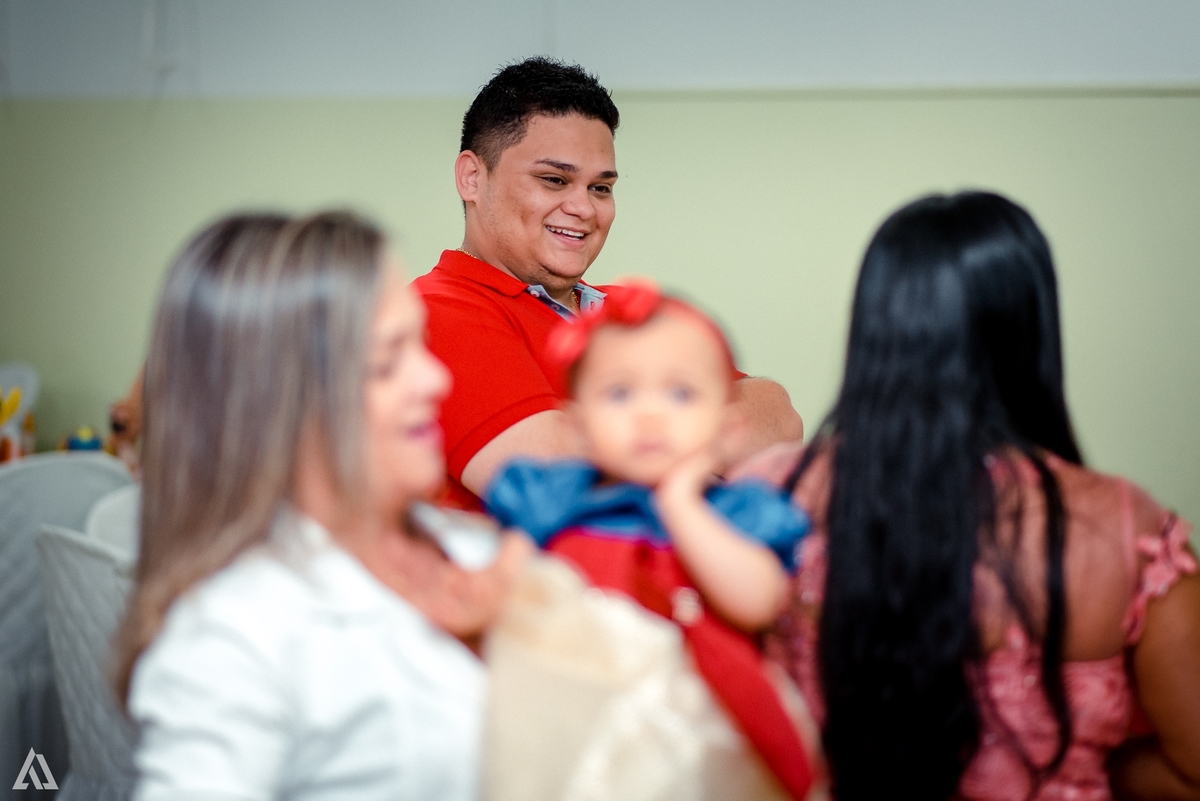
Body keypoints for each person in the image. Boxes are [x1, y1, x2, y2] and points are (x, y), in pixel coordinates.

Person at [732, 191, 1200, 801]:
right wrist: (1076, 766)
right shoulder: (1127, 529)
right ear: (1032, 326)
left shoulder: (769, 498)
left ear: (873, 328)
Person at [113, 212, 529, 800]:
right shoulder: (235, 636)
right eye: (386, 362)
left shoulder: (468, 545)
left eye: (422, 344)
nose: (436, 379)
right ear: (283, 401)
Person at [484, 282, 824, 801]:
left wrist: (681, 503)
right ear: (579, 425)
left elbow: (760, 602)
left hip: (704, 747)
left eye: (681, 394)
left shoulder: (733, 514)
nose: (650, 416)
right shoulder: (554, 500)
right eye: (619, 394)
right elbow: (501, 600)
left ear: (727, 429)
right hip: (576, 737)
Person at [415, 57, 803, 510]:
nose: (583, 208)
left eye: (600, 188)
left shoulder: (632, 310)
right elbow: (551, 482)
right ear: (472, 178)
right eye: (554, 180)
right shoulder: (436, 310)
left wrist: (612, 444)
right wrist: (698, 433)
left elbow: (780, 418)